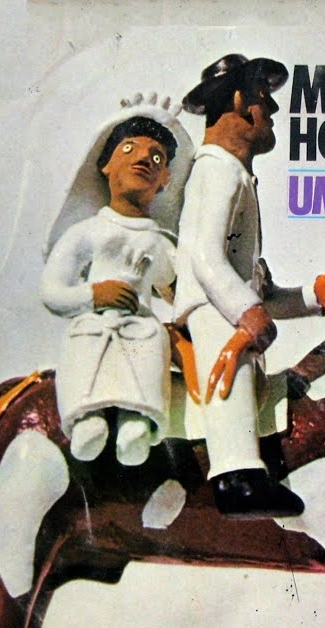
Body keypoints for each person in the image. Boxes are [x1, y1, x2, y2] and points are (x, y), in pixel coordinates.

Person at [174, 54, 325, 519]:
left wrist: (316, 296)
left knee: (249, 368)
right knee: (230, 363)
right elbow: (205, 257)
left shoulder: (234, 173)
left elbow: (261, 292)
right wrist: (245, 311)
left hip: (226, 300)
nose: (272, 110)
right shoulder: (217, 169)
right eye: (264, 98)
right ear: (240, 101)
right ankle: (236, 476)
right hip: (211, 308)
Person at [41, 96, 194, 466]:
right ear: (106, 164)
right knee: (85, 344)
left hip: (141, 331)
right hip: (94, 327)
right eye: (129, 148)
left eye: (157, 157)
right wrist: (95, 294)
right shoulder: (86, 232)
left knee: (151, 340)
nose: (143, 159)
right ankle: (87, 417)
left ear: (165, 180)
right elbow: (52, 292)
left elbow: (179, 287)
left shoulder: (159, 243)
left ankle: (136, 421)